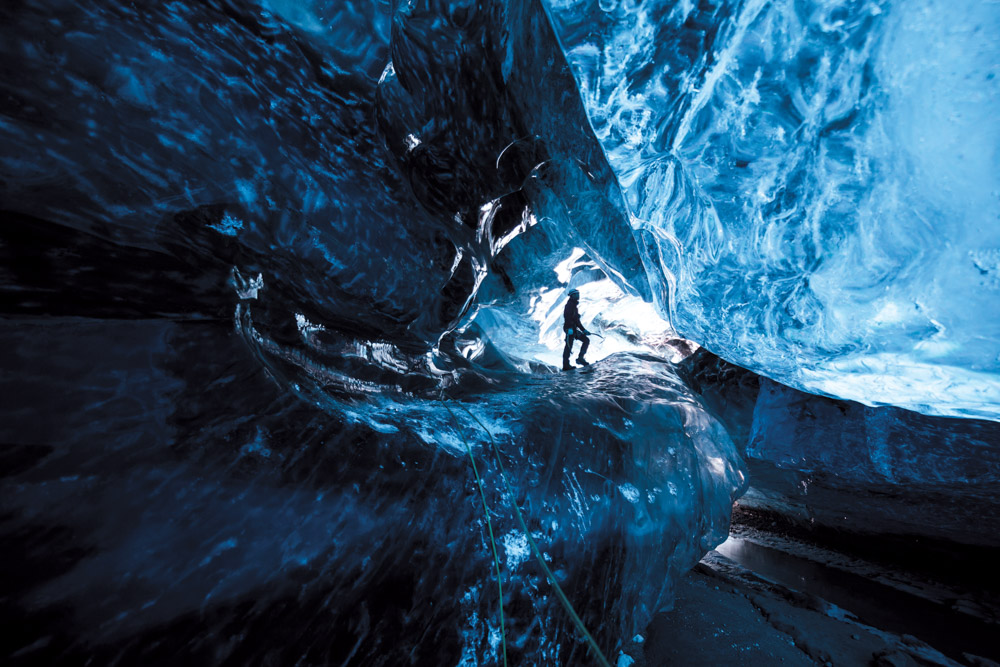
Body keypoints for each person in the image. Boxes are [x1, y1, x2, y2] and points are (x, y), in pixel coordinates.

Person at [562, 288, 590, 370]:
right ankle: (566, 365)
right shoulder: (569, 305)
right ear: (572, 295)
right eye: (577, 294)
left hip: (573, 329)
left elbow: (576, 320)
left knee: (585, 340)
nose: (578, 295)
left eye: (578, 293)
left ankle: (580, 358)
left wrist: (583, 330)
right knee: (568, 346)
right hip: (569, 329)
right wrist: (569, 328)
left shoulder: (573, 305)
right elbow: (567, 317)